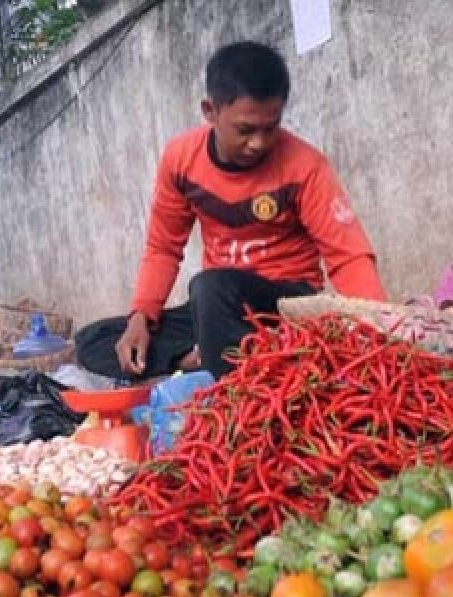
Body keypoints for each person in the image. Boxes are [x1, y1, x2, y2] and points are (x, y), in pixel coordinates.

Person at [75, 41, 387, 380]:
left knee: (209, 287)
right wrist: (141, 318)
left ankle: (235, 387)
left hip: (286, 306)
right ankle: (199, 355)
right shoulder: (180, 161)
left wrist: (379, 329)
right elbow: (163, 249)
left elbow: (348, 255)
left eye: (271, 128)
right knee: (95, 341)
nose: (258, 143)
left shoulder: (305, 166)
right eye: (245, 130)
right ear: (210, 111)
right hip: (219, 309)